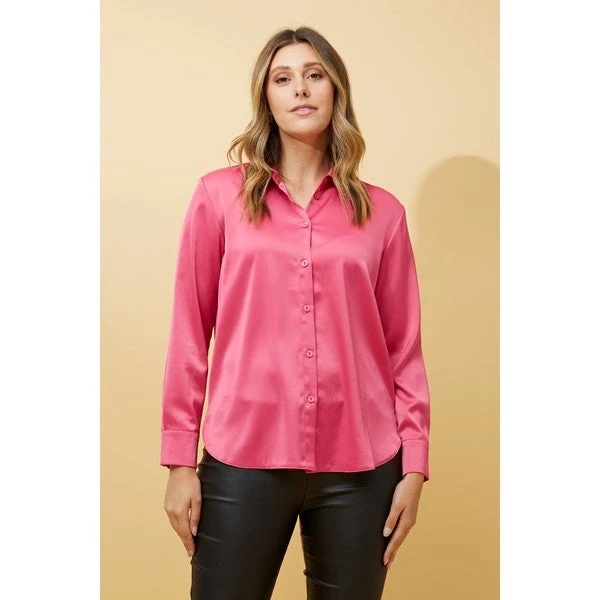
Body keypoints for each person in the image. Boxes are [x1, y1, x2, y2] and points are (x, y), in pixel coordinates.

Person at [161, 26, 431, 600]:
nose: (300, 89)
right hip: (242, 458)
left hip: (363, 467)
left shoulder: (383, 214)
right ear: (267, 98)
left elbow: (402, 347)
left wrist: (414, 464)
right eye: (282, 78)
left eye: (314, 75)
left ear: (336, 91)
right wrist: (179, 461)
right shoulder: (219, 198)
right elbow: (190, 330)